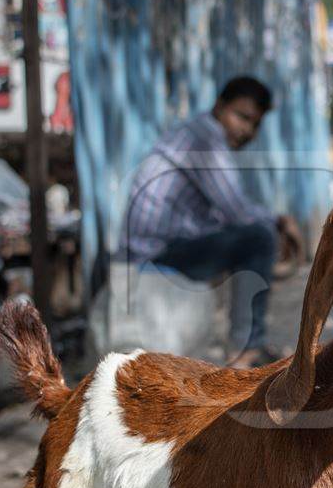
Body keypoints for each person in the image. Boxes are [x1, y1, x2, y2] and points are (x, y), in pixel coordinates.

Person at [121, 76, 299, 368]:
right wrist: (281, 223)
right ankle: (246, 349)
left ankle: (246, 342)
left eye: (255, 124)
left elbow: (219, 215)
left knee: (249, 237)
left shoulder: (195, 135)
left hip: (160, 249)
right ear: (220, 106)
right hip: (155, 256)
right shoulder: (204, 140)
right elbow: (238, 211)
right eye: (242, 117)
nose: (247, 130)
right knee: (259, 237)